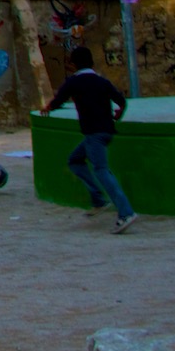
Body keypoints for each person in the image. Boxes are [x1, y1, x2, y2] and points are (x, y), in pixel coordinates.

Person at [42, 45, 138, 234]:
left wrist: (47, 108)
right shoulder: (101, 81)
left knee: (102, 171)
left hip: (94, 134)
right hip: (106, 131)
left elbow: (59, 99)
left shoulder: (74, 82)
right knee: (75, 160)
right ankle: (98, 200)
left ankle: (126, 213)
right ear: (92, 62)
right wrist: (119, 112)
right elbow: (121, 100)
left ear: (73, 64)